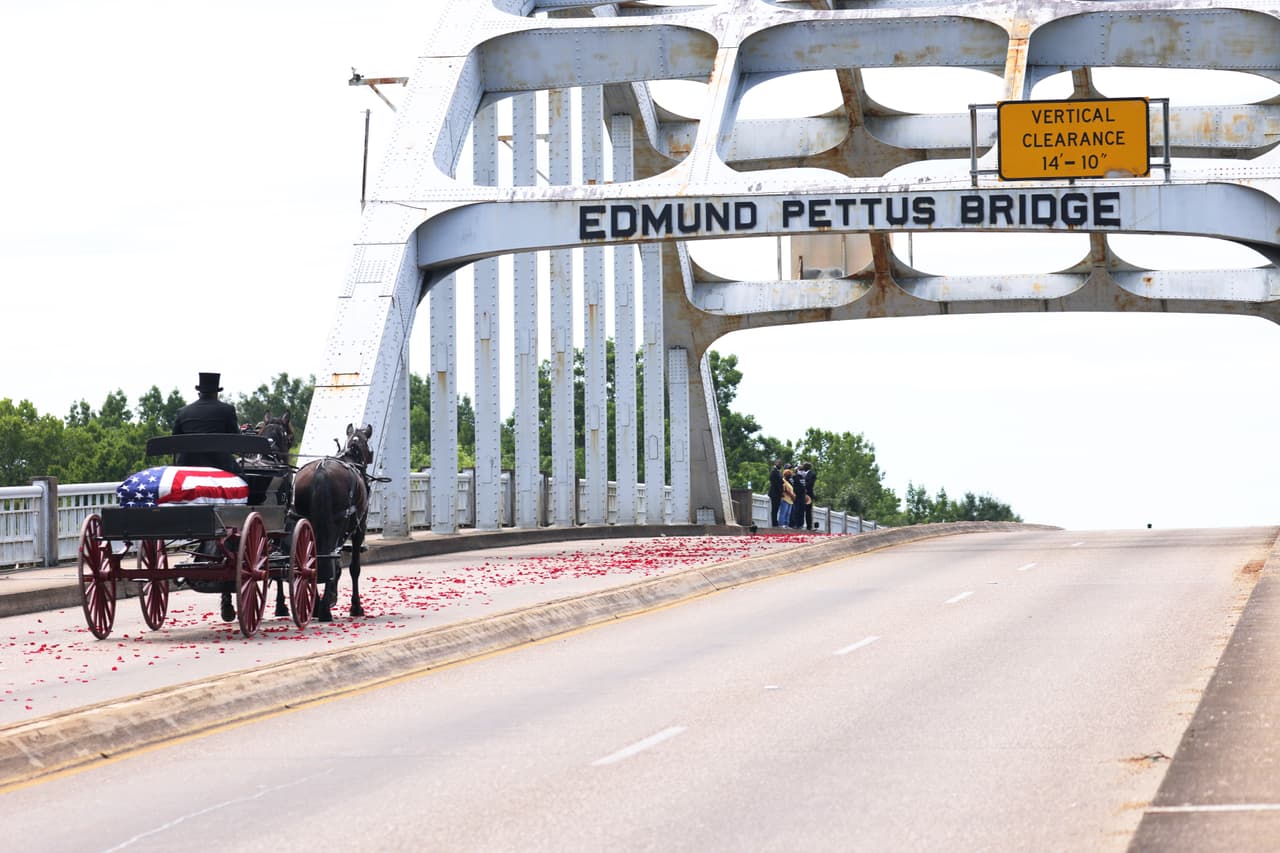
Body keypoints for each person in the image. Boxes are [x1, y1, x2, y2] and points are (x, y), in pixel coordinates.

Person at [172, 372, 241, 471]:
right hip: (221, 466)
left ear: (199, 393)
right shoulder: (227, 410)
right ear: (216, 393)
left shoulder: (182, 412)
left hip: (186, 466)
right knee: (245, 479)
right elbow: (235, 441)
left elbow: (175, 442)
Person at [789, 460, 807, 528]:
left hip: (802, 496)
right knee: (795, 510)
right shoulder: (794, 477)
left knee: (801, 510)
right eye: (800, 469)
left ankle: (800, 524)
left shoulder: (803, 478)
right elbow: (792, 485)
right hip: (796, 496)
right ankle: (795, 524)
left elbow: (804, 487)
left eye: (803, 470)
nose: (802, 471)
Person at [800, 462, 817, 530]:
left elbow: (810, 484)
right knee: (800, 510)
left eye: (804, 466)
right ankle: (800, 524)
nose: (803, 467)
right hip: (801, 494)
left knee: (808, 511)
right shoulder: (801, 474)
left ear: (807, 467)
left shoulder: (812, 474)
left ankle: (809, 526)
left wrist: (803, 487)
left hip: (808, 494)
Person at [767, 459, 784, 526]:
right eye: (779, 464)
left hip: (777, 493)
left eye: (780, 464)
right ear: (776, 463)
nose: (780, 465)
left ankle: (775, 521)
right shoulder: (774, 472)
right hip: (775, 493)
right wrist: (781, 491)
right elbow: (776, 482)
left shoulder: (778, 472)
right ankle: (774, 522)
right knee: (774, 508)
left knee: (776, 509)